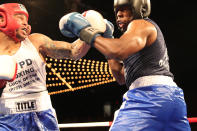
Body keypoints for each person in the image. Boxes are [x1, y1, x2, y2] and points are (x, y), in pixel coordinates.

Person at [59, 0, 191, 130]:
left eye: (124, 9)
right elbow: (121, 77)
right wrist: (108, 38)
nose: (119, 14)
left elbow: (117, 50)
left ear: (139, 8)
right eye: (117, 11)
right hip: (172, 99)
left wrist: (85, 31)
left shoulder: (140, 24)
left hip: (149, 97)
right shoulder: (133, 39)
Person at [0, 3, 93, 130]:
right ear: (2, 19)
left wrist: (91, 33)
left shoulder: (35, 41)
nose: (25, 23)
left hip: (42, 114)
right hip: (7, 118)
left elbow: (73, 51)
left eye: (26, 20)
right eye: (19, 17)